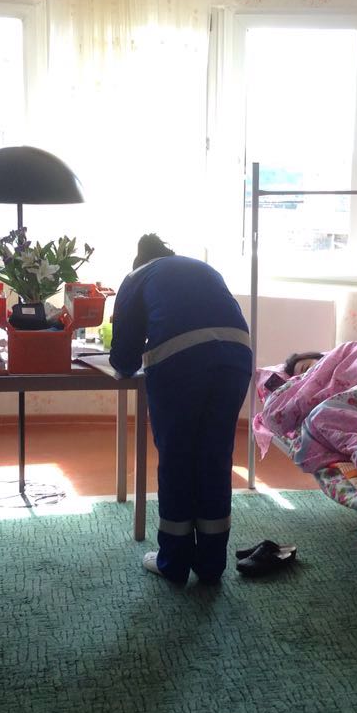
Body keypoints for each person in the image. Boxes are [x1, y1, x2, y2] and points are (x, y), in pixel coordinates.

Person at [110, 234, 252, 584]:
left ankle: (173, 563)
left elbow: (124, 359)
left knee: (177, 458)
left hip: (181, 363)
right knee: (215, 457)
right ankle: (210, 564)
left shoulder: (136, 277)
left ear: (139, 261)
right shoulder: (202, 268)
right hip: (237, 357)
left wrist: (124, 359)